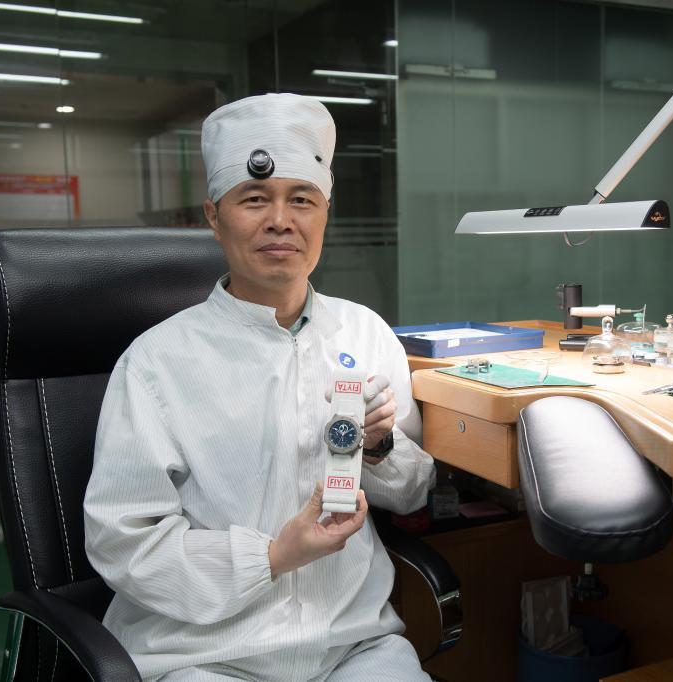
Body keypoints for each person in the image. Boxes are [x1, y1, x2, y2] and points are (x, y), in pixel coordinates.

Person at [83, 93, 436, 681]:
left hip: (351, 645)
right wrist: (272, 557)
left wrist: (377, 448)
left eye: (302, 199)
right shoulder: (156, 363)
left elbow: (412, 493)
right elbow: (122, 542)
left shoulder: (366, 333)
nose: (280, 220)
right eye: (254, 199)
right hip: (206, 655)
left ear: (325, 214)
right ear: (213, 216)